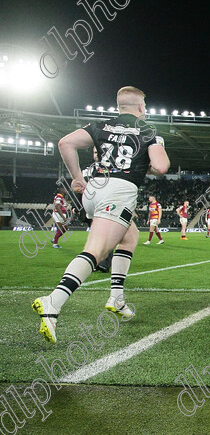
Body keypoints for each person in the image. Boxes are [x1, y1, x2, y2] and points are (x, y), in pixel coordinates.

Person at [32, 86, 169, 342]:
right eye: (146, 107)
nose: (147, 111)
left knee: (129, 237)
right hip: (119, 191)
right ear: (140, 107)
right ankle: (54, 302)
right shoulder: (149, 131)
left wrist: (76, 178)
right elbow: (161, 166)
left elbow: (65, 143)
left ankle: (116, 298)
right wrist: (148, 161)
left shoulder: (100, 126)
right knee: (95, 251)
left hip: (94, 189)